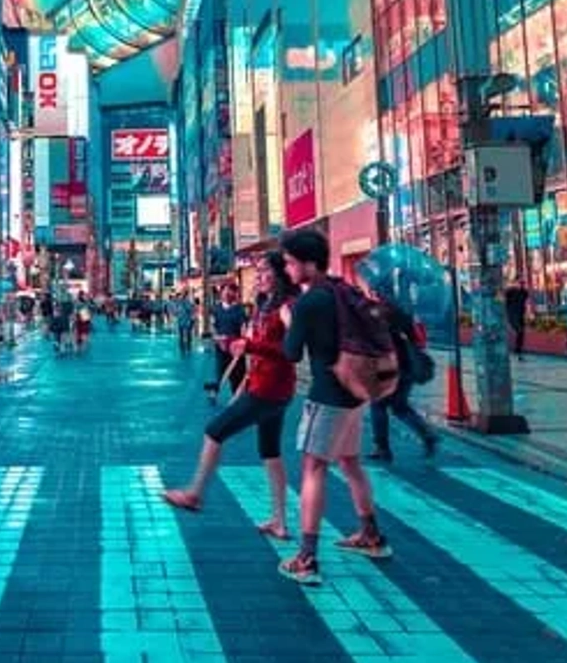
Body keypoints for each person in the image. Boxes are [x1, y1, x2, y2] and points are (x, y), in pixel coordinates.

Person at [278, 229, 390, 586]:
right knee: (350, 462)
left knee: (313, 468)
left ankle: (307, 557)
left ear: (309, 263)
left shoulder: (309, 302)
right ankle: (370, 534)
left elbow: (292, 353)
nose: (288, 269)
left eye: (291, 263)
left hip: (328, 395)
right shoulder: (342, 289)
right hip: (356, 391)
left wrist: (288, 320)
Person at [163, 252, 298, 538]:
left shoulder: (285, 307)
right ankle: (279, 521)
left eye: (264, 271)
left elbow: (291, 352)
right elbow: (264, 348)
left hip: (270, 389)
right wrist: (246, 348)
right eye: (258, 271)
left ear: (280, 274)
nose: (258, 276)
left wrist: (250, 347)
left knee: (215, 431)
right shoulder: (265, 305)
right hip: (270, 387)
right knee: (270, 452)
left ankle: (195, 493)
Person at [368, 300, 438, 462]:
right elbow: (415, 340)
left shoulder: (375, 314)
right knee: (400, 407)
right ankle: (427, 434)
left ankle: (382, 447)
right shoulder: (403, 314)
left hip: (386, 365)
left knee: (378, 405)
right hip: (407, 365)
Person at [208, 283, 248, 404]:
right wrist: (217, 338)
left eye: (231, 291)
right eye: (225, 291)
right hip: (221, 346)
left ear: (235, 293)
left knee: (237, 374)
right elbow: (213, 326)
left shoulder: (240, 309)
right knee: (220, 370)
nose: (227, 294)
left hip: (236, 347)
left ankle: (237, 397)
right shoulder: (216, 309)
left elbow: (243, 328)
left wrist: (243, 342)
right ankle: (214, 393)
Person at [504, 277, 530, 359]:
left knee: (522, 332)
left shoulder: (525, 292)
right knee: (519, 330)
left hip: (520, 314)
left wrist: (529, 312)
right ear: (515, 283)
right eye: (520, 283)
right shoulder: (510, 291)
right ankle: (516, 348)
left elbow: (526, 302)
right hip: (511, 314)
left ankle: (518, 349)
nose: (521, 285)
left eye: (523, 283)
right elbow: (502, 299)